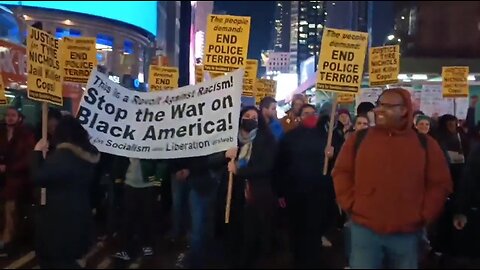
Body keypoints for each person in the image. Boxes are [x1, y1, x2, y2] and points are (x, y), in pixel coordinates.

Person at [333, 88, 452, 269]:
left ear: (404, 110)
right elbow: (341, 172)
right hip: (364, 230)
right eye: (379, 105)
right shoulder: (359, 139)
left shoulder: (425, 144)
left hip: (407, 233)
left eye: (387, 106)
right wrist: (352, 204)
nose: (379, 110)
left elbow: (440, 183)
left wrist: (424, 214)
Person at [275, 104, 342, 268]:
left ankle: (312, 259)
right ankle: (297, 258)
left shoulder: (327, 137)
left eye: (313, 113)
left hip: (318, 192)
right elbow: (280, 165)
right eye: (306, 113)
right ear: (299, 116)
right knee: (296, 228)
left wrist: (333, 155)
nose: (311, 116)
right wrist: (279, 192)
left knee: (314, 229)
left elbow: (339, 164)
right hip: (295, 191)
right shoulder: (289, 137)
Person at [32, 116, 100, 268]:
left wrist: (37, 153)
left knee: (58, 260)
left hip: (59, 217)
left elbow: (39, 177)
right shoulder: (89, 153)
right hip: (80, 210)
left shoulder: (64, 155)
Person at [224, 106, 276, 268]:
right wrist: (225, 155)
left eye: (255, 117)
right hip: (233, 193)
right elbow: (220, 163)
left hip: (256, 193)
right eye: (247, 116)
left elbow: (267, 166)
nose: (251, 119)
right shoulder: (231, 139)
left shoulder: (267, 139)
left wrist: (240, 171)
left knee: (253, 232)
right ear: (240, 118)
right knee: (234, 230)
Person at [111, 157, 168, 261]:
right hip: (129, 184)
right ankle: (127, 249)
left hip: (148, 185)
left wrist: (157, 182)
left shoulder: (152, 144)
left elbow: (162, 163)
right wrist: (118, 179)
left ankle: (147, 245)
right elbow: (119, 161)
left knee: (147, 217)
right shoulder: (125, 144)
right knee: (128, 219)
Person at [0, 107, 35, 255]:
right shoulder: (1, 132)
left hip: (17, 179)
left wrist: (9, 168)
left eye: (13, 115)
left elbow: (28, 158)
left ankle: (8, 241)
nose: (10, 118)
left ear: (19, 117)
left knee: (11, 210)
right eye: (8, 115)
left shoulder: (26, 134)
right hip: (3, 179)